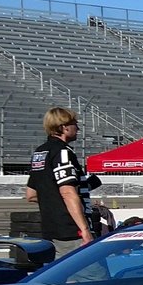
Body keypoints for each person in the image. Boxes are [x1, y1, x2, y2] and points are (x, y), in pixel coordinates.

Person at [25, 107, 92, 256]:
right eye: (74, 123)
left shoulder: (40, 152)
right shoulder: (63, 152)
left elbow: (31, 194)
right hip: (71, 230)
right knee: (94, 276)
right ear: (64, 127)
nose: (78, 127)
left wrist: (54, 202)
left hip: (50, 228)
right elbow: (67, 192)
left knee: (61, 276)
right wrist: (84, 229)